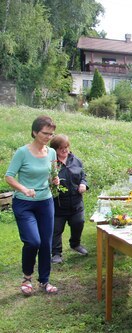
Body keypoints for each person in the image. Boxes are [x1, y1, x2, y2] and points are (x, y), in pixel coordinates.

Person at [5, 115, 59, 295]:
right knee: (33, 241)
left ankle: (44, 281)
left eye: (51, 134)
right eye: (45, 133)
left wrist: (55, 180)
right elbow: (9, 177)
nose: (48, 137)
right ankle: (27, 278)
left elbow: (52, 174)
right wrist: (24, 189)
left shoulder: (51, 152)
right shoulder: (22, 152)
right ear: (35, 132)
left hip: (45, 202)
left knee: (46, 243)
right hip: (24, 203)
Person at [49, 135, 89, 264]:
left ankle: (75, 244)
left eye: (66, 147)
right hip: (58, 204)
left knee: (79, 223)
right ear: (55, 149)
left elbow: (83, 176)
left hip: (76, 203)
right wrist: (52, 182)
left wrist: (83, 184)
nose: (65, 150)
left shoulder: (76, 160)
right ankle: (56, 253)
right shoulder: (51, 163)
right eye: (61, 148)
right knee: (56, 230)